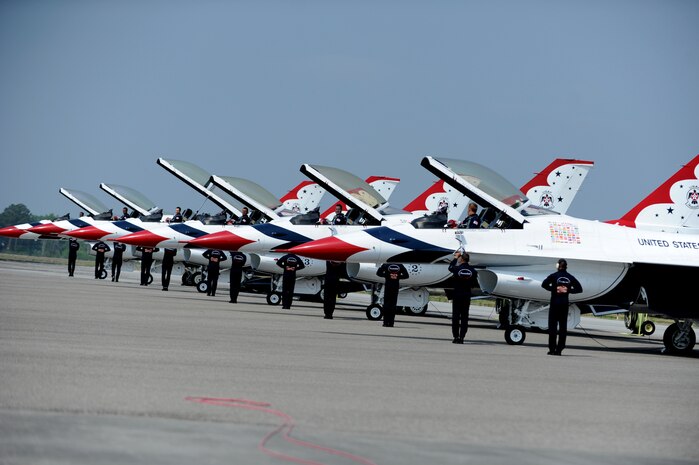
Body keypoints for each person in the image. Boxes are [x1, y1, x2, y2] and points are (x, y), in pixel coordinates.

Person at [541, 259, 583, 355]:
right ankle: (559, 349)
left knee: (552, 327)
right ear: (566, 266)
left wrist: (555, 288)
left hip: (555, 304)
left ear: (557, 266)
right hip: (564, 305)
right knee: (563, 328)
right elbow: (579, 289)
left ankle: (552, 349)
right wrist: (568, 290)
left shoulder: (554, 276)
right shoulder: (570, 277)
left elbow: (543, 284)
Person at [448, 251, 479, 343]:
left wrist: (455, 258)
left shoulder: (457, 269)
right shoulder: (473, 271)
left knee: (456, 317)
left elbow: (450, 267)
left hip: (457, 295)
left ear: (461, 259)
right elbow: (474, 284)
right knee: (465, 317)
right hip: (466, 295)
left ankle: (456, 337)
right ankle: (462, 337)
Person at [376, 263, 408, 327]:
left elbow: (378, 273)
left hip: (388, 287)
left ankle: (385, 323)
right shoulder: (400, 265)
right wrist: (397, 276)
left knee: (386, 305)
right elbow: (406, 275)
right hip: (395, 287)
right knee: (393, 305)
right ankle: (391, 323)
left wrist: (387, 275)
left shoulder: (386, 265)